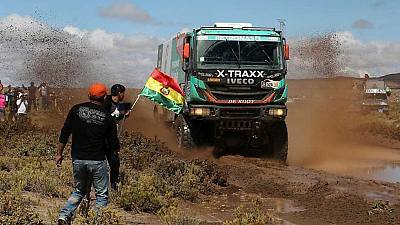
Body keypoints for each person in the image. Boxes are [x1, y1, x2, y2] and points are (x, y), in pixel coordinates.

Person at [55, 83, 119, 225]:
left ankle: (64, 216)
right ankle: (96, 220)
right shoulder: (108, 118)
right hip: (97, 160)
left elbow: (65, 133)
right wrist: (113, 164)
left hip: (78, 159)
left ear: (89, 95)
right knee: (101, 195)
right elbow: (113, 145)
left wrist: (59, 153)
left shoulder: (76, 110)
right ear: (104, 97)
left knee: (79, 190)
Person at [103, 84, 126, 190]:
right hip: (104, 138)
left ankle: (113, 185)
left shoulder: (120, 104)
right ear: (119, 93)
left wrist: (124, 115)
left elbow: (119, 115)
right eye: (123, 93)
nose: (124, 95)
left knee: (115, 163)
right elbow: (107, 117)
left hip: (113, 138)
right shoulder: (106, 103)